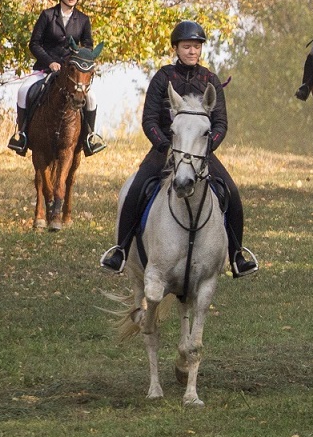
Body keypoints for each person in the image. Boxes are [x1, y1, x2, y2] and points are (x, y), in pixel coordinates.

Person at [100, 21, 256, 277]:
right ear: (176, 48)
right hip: (165, 149)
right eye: (186, 47)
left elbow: (221, 123)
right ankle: (121, 251)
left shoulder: (211, 80)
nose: (192, 51)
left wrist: (207, 147)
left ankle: (237, 255)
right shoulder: (162, 78)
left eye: (196, 46)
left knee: (232, 192)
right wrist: (166, 146)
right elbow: (149, 120)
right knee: (136, 189)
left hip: (200, 152)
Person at [8, 0, 104, 156]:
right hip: (46, 68)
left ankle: (89, 138)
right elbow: (34, 43)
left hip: (71, 72)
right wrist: (50, 62)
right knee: (23, 90)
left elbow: (88, 46)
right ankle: (22, 136)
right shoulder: (47, 15)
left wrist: (78, 59)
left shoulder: (83, 20)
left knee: (91, 98)